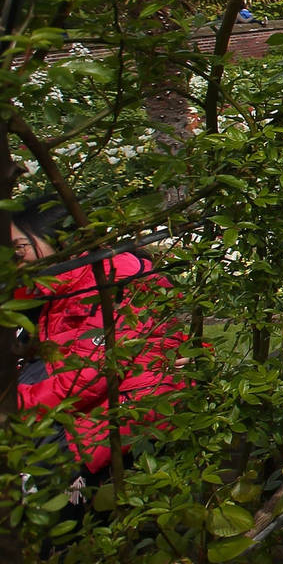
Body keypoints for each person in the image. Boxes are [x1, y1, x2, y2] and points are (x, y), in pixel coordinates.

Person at [13, 199, 189, 517]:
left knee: (41, 475)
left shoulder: (112, 277)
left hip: (122, 407)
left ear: (62, 241)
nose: (15, 263)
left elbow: (88, 378)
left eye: (19, 249)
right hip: (91, 399)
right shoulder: (61, 278)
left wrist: (14, 402)